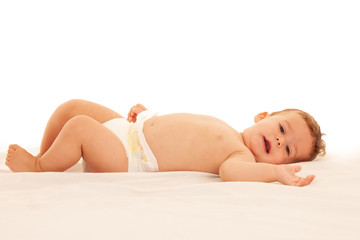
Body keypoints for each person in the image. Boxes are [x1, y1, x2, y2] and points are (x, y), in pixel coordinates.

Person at [5, 99, 325, 187]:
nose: (280, 140)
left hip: (129, 156)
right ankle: (46, 153)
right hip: (131, 133)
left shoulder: (238, 155)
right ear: (262, 116)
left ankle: (38, 168)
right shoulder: (228, 128)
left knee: (78, 127)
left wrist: (275, 176)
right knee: (71, 108)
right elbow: (179, 129)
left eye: (287, 150)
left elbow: (231, 173)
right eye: (282, 128)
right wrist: (148, 116)